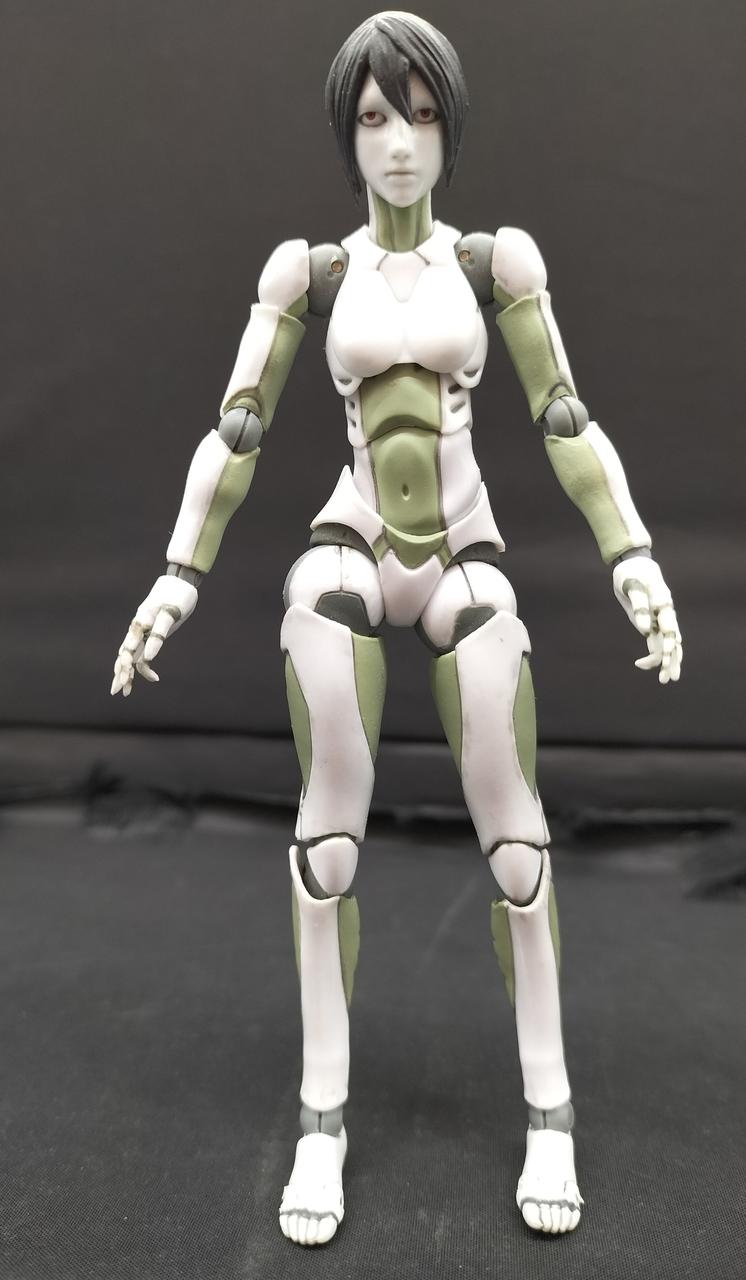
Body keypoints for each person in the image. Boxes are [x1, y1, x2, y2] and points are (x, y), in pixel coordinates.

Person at [112, 11, 682, 1247]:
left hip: (464, 551)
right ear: (347, 132)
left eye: (420, 115)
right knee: (327, 831)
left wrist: (630, 551)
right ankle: (320, 1117)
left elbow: (564, 415)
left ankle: (548, 1105)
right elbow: (236, 431)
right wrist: (176, 575)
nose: (400, 144)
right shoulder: (310, 275)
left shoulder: (495, 265)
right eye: (376, 117)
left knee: (515, 841)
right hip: (353, 542)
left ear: (449, 126)